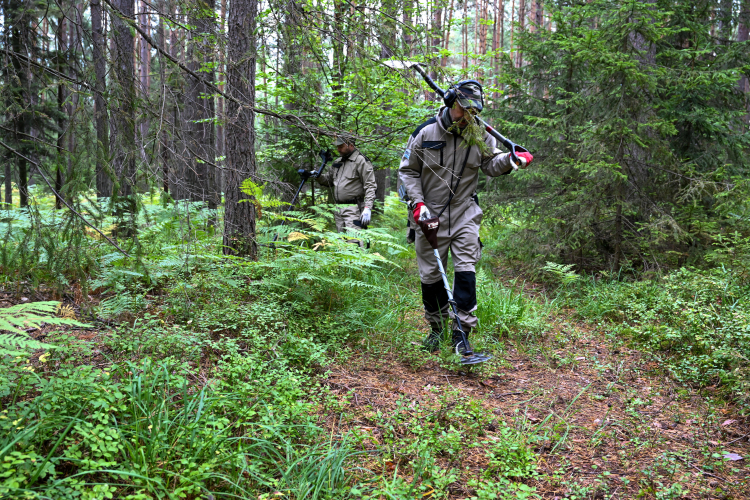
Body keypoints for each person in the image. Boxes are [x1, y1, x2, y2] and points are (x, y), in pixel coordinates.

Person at [398, 80, 533, 353]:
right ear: (450, 102)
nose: (468, 116)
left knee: (465, 272)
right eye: (463, 109)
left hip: (464, 212)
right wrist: (417, 202)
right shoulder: (425, 132)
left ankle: (462, 334)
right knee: (432, 276)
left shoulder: (481, 133)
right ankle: (437, 329)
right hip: (428, 212)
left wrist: (511, 160)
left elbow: (490, 165)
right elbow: (407, 171)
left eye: (474, 111)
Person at [314, 134, 377, 238]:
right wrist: (317, 176)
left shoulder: (360, 161)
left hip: (354, 208)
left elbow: (370, 185)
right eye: (337, 146)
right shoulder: (337, 162)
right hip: (338, 208)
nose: (338, 149)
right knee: (342, 243)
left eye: (341, 146)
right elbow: (328, 181)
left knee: (354, 242)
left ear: (351, 145)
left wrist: (368, 207)